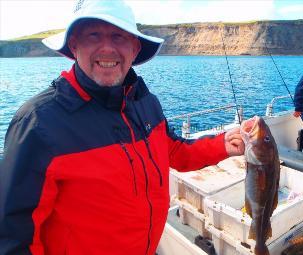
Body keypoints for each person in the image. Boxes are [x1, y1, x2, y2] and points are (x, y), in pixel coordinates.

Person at [0, 1, 245, 255]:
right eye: (93, 35)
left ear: (135, 48)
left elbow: (175, 151)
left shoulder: (145, 102)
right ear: (74, 45)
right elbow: (13, 237)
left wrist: (223, 144)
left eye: (118, 36)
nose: (107, 48)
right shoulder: (39, 123)